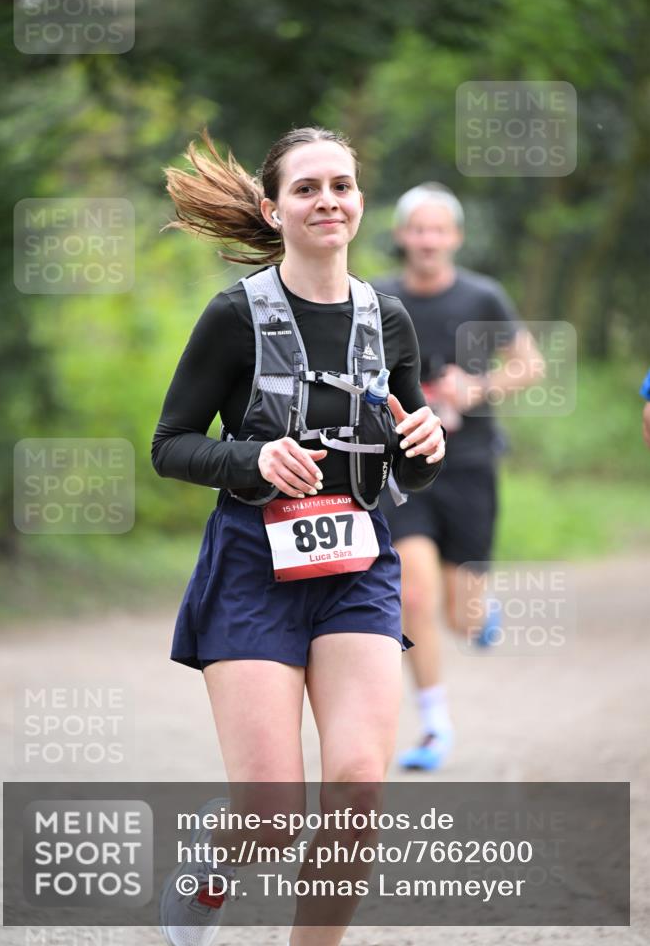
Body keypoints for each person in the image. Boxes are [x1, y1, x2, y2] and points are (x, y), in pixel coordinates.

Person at [151, 128, 446, 946]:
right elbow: (170, 444)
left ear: (359, 202)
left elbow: (407, 463)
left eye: (340, 186)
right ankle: (214, 857)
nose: (327, 201)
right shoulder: (234, 316)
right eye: (307, 188)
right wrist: (250, 458)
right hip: (253, 565)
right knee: (273, 817)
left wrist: (425, 448)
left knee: (357, 792)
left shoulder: (386, 319)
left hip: (356, 565)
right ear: (273, 209)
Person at [376, 183, 545, 772]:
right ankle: (434, 726)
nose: (427, 240)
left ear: (456, 237)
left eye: (438, 230)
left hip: (469, 466)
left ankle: (480, 610)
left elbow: (530, 365)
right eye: (417, 229)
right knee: (411, 593)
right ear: (402, 235)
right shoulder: (377, 299)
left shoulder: (483, 295)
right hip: (403, 468)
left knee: (461, 617)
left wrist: (477, 389)